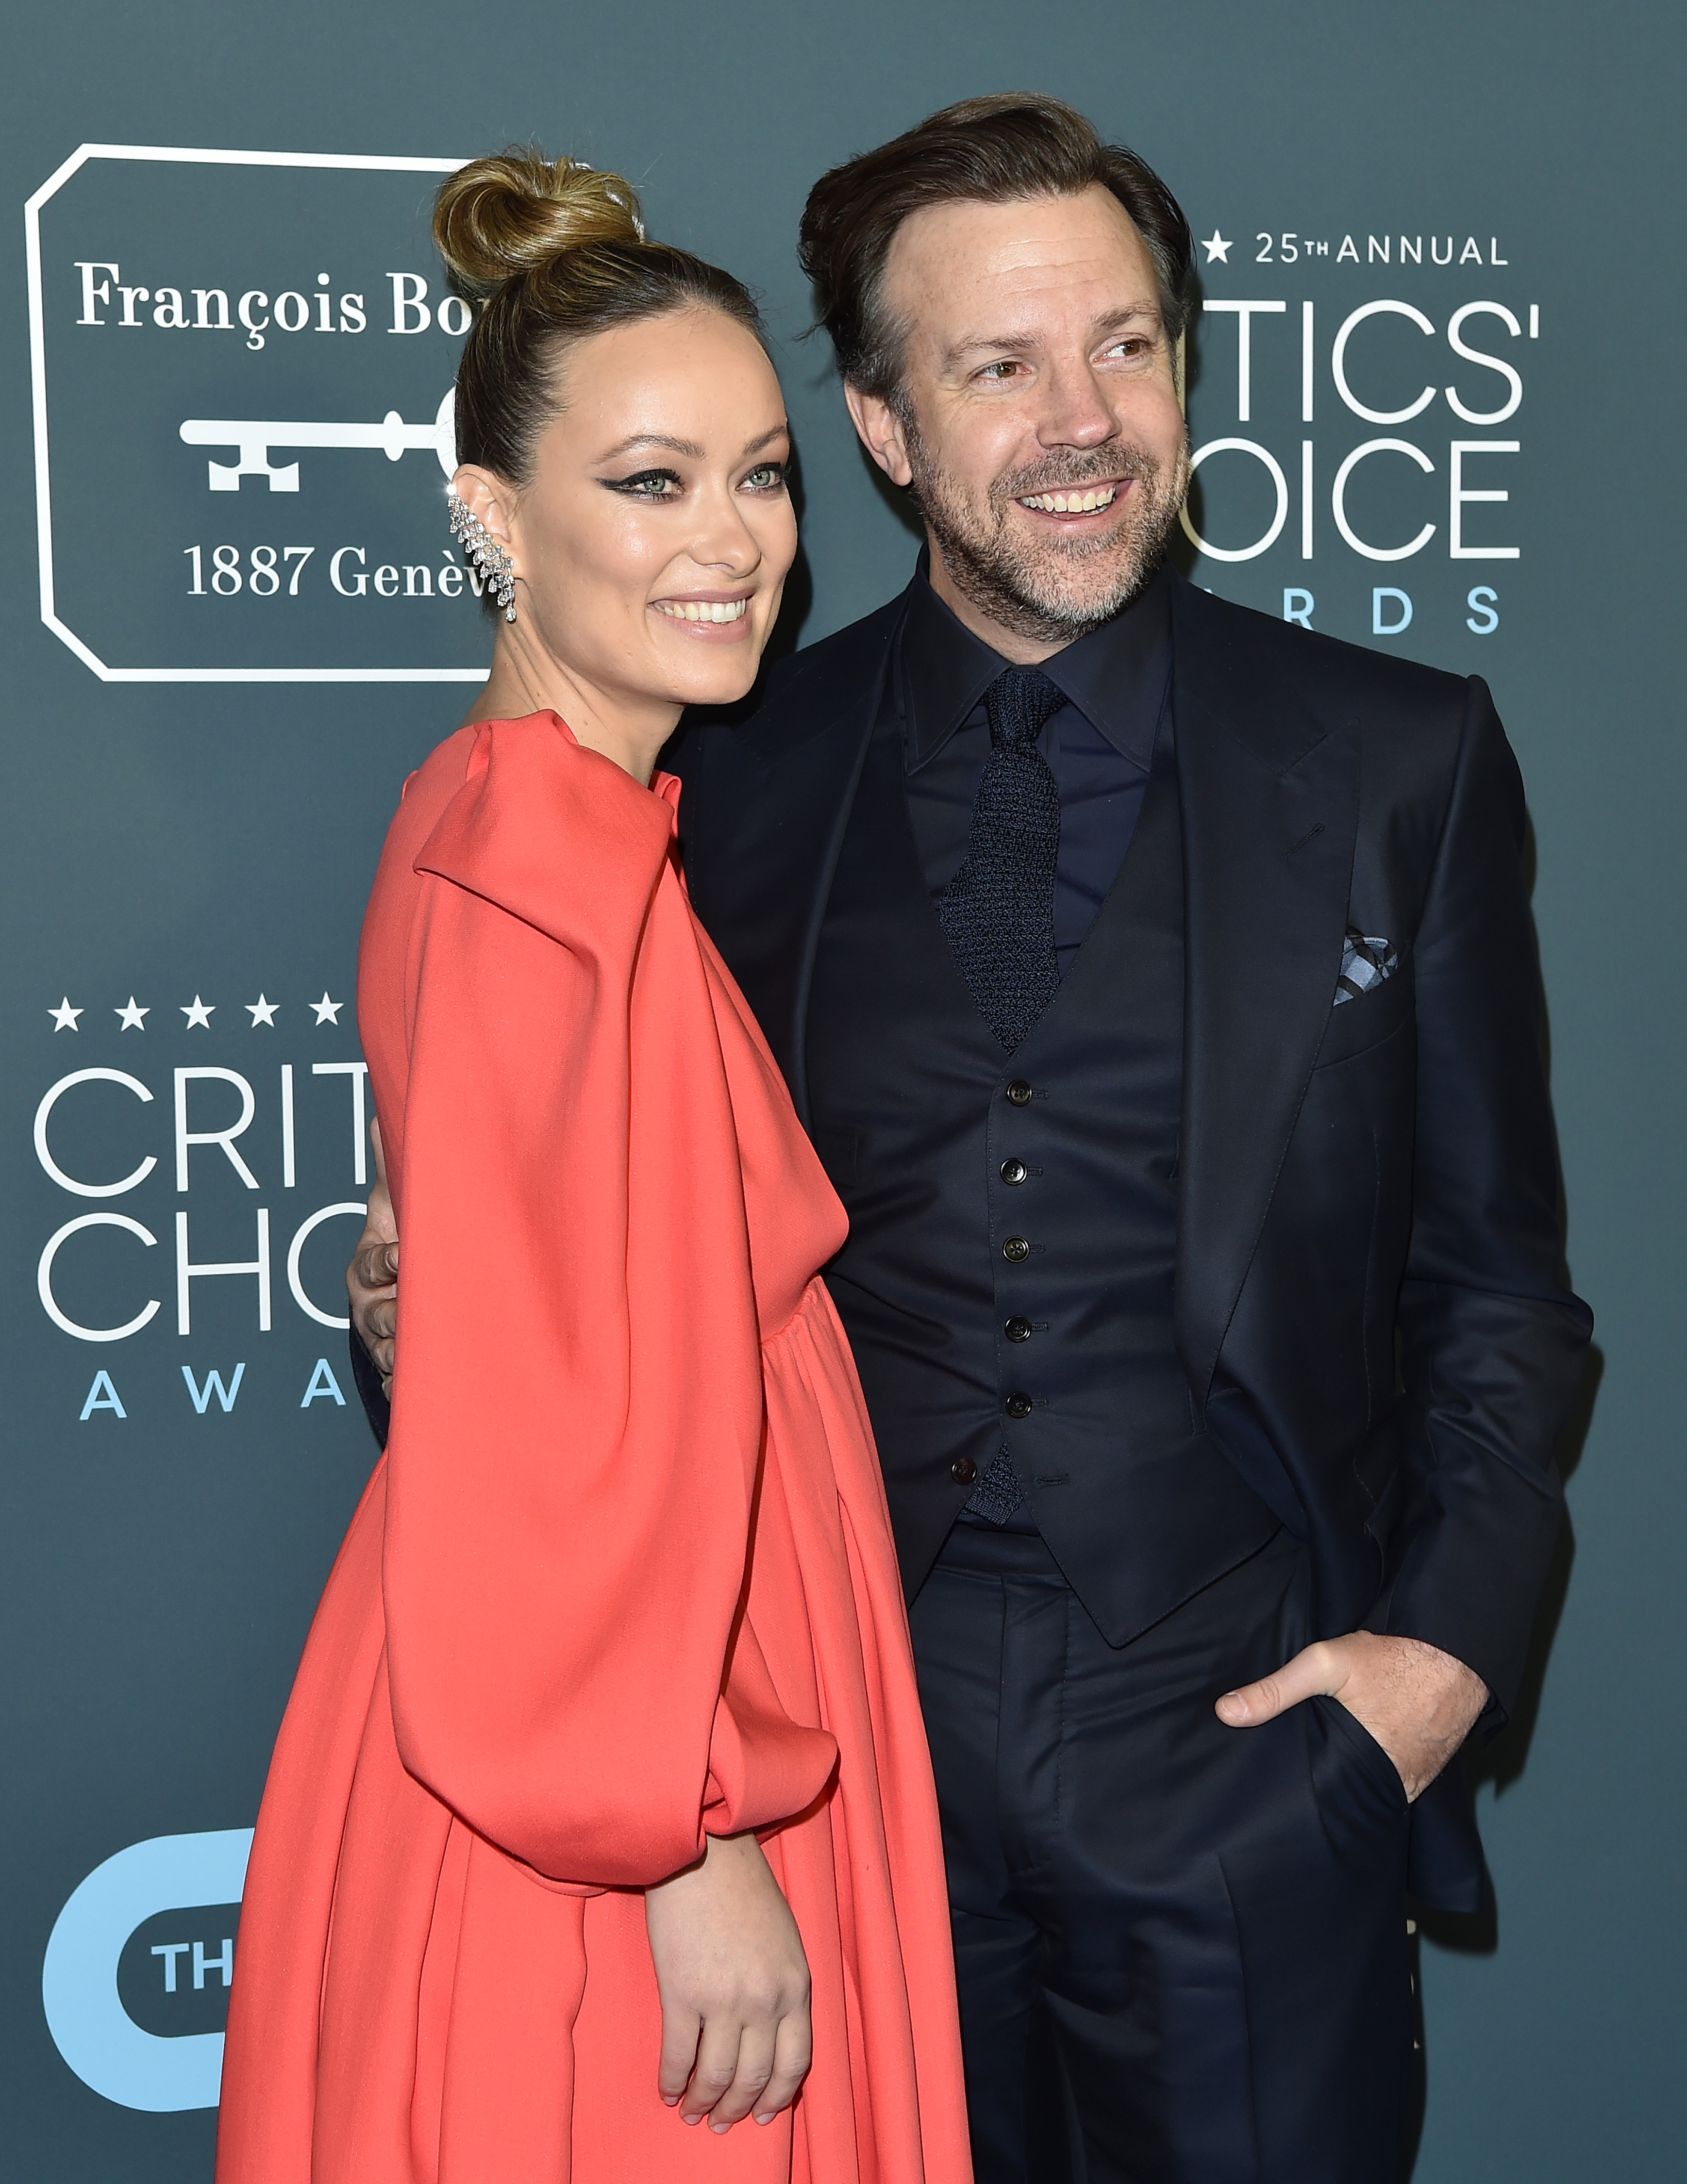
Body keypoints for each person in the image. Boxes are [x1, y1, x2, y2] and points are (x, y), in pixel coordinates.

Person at [351, 99, 1592, 2184]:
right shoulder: (727, 772)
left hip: (1245, 1752)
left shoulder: (1397, 759)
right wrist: (427, 1297)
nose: (1081, 418)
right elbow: (615, 1260)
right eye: (996, 366)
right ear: (882, 428)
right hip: (845, 1778)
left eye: (1124, 345)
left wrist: (1432, 1669)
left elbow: (1497, 1287)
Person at [219, 149, 971, 2184]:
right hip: (613, 1782)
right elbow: (548, 1428)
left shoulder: (545, 828)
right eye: (648, 483)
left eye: (758, 474)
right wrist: (682, 1838)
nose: (730, 544)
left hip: (661, 1699)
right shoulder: (541, 870)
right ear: (491, 514)